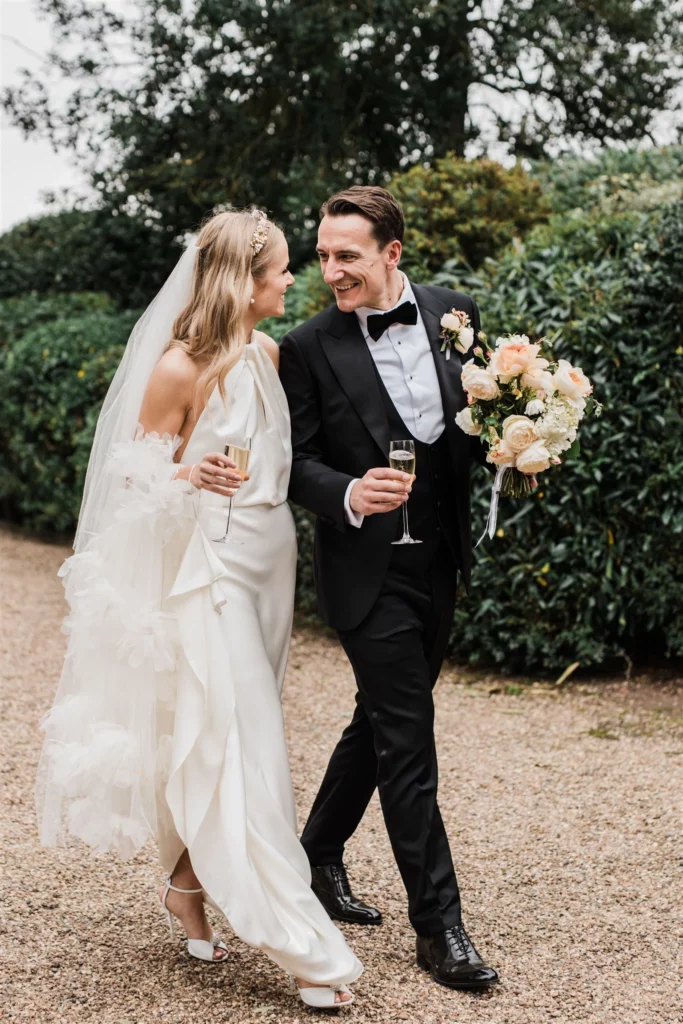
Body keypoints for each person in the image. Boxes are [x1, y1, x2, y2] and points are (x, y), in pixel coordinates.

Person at [36, 209, 362, 1009]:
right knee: (236, 741)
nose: (294, 279)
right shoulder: (178, 369)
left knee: (232, 730)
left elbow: (299, 457)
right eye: (283, 268)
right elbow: (126, 483)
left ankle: (186, 882)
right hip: (207, 570)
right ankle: (299, 941)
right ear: (242, 281)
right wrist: (185, 478)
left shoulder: (266, 353)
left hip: (270, 563)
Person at [278, 186, 498, 991]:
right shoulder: (305, 346)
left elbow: (480, 419)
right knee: (408, 737)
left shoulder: (455, 312)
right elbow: (292, 459)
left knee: (379, 716)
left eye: (347, 256)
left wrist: (515, 439)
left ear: (392, 254)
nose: (329, 270)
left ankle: (315, 855)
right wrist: (344, 491)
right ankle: (439, 928)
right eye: (323, 255)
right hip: (366, 574)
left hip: (438, 562)